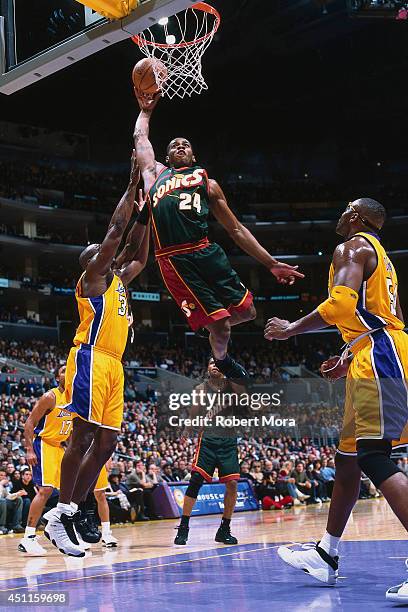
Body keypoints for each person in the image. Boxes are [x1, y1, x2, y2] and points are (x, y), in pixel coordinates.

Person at [264, 198, 408, 601]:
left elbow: (342, 304)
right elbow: (371, 315)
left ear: (359, 218)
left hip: (380, 355)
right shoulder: (380, 256)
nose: (341, 214)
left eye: (347, 209)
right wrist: (348, 356)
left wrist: (291, 328)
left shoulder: (352, 246)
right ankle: (327, 553)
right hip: (370, 352)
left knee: (375, 457)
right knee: (348, 459)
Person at [116, 92, 303, 381]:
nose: (180, 146)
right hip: (175, 260)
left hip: (206, 251)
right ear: (165, 157)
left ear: (193, 155)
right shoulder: (155, 176)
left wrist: (271, 263)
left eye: (185, 144)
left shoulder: (207, 182)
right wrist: (145, 110)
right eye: (174, 145)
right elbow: (140, 137)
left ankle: (210, 325)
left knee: (249, 311)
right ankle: (221, 359)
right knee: (223, 326)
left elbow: (236, 229)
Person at [45, 153, 149, 557]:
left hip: (116, 366)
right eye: (100, 252)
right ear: (92, 261)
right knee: (84, 435)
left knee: (106, 444)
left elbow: (138, 254)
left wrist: (147, 215)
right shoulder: (91, 279)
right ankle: (59, 514)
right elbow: (115, 233)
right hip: (90, 357)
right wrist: (131, 186)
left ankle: (74, 509)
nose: (106, 254)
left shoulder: (118, 280)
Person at [19, 366, 109, 555]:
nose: (66, 373)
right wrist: (29, 449)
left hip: (61, 447)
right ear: (56, 377)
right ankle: (28, 537)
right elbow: (29, 423)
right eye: (62, 371)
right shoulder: (50, 397)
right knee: (45, 490)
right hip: (44, 444)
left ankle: (70, 534)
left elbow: (71, 431)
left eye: (69, 371)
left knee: (69, 493)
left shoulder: (75, 400)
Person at [174, 358, 244, 546]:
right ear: (207, 367)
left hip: (228, 441)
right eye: (211, 363)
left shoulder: (234, 386)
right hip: (208, 441)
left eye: (218, 363)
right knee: (196, 480)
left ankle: (224, 529)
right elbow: (194, 413)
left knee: (232, 485)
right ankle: (183, 527)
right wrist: (187, 429)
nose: (214, 365)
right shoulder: (201, 389)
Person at [0, 468, 24, 534]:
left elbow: (9, 496)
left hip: (3, 504)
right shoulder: (1, 485)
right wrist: (0, 484)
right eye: (1, 475)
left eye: (4, 475)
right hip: (2, 503)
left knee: (19, 499)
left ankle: (16, 525)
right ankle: (1, 526)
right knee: (2, 501)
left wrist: (17, 494)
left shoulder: (3, 487)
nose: (3, 477)